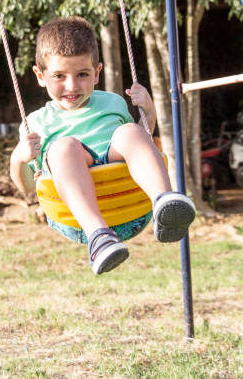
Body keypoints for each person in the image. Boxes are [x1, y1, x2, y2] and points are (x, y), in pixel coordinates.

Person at [10, 16, 196, 275]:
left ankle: (164, 205)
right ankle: (100, 238)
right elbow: (29, 188)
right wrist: (18, 159)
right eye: (59, 76)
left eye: (82, 74)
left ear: (97, 73)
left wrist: (149, 112)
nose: (72, 86)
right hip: (78, 221)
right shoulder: (36, 123)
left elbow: (141, 146)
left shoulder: (113, 103)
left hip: (131, 207)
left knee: (130, 131)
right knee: (63, 149)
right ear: (40, 76)